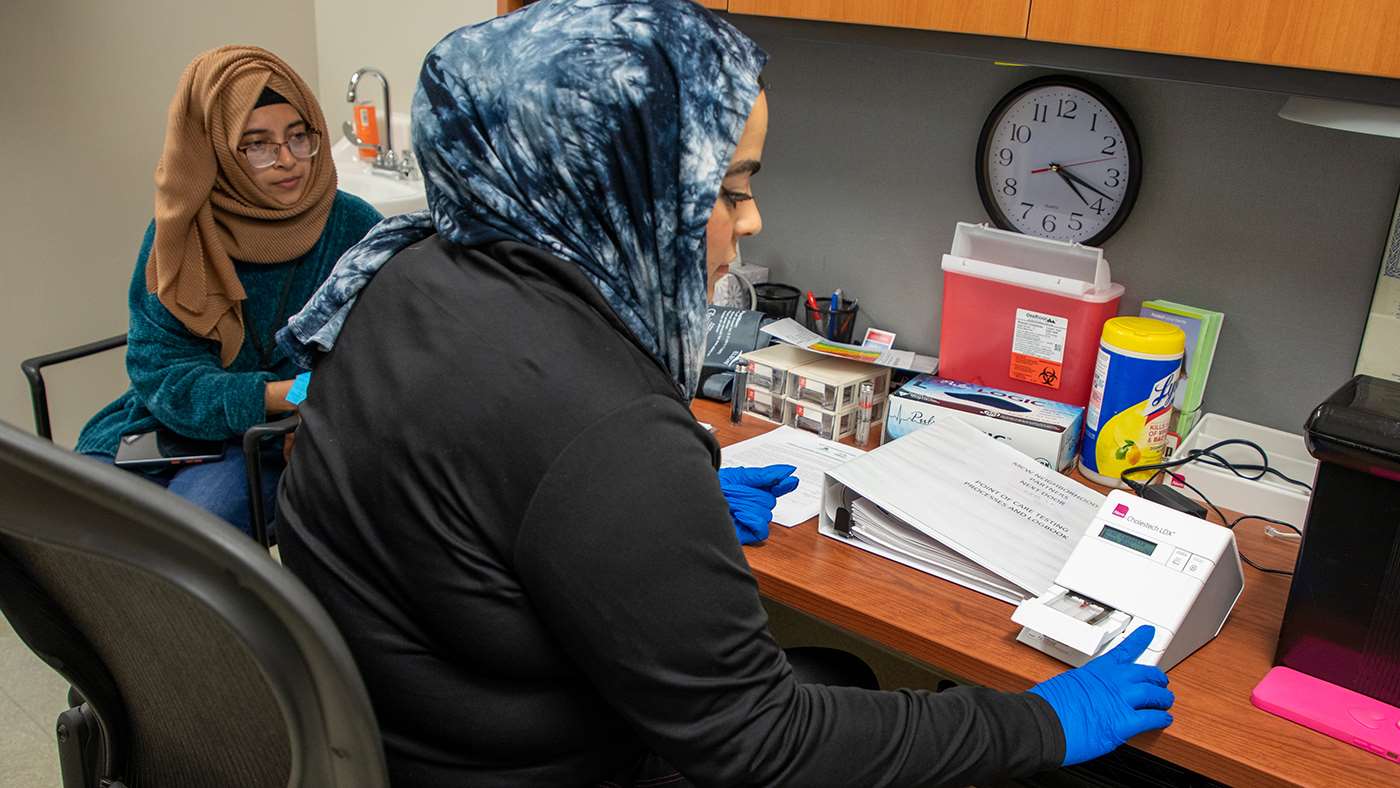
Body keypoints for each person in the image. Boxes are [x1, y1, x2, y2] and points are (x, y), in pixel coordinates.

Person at [275, 1, 1173, 785]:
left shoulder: (406, 274)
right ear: (614, 184)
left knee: (837, 679)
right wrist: (1043, 723)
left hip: (402, 737)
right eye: (729, 189)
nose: (751, 222)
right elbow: (764, 748)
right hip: (529, 767)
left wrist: (658, 518)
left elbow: (475, 496)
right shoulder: (602, 419)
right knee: (844, 694)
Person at [76, 46, 383, 537]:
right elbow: (160, 371)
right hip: (171, 422)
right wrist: (280, 393)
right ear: (216, 150)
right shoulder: (181, 231)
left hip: (275, 439)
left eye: (298, 137)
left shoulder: (353, 225)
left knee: (193, 537)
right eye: (258, 145)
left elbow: (380, 357)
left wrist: (305, 407)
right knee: (82, 515)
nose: (288, 161)